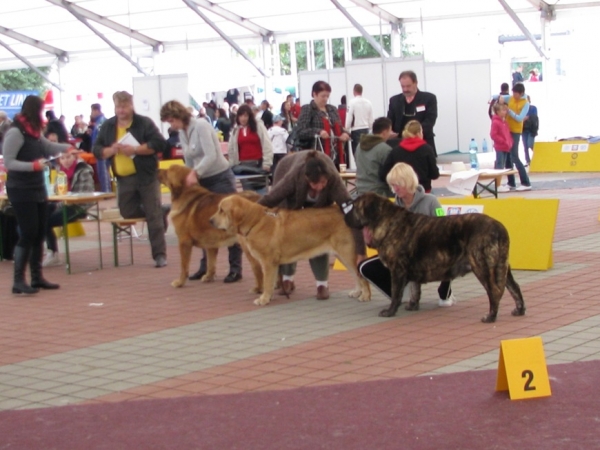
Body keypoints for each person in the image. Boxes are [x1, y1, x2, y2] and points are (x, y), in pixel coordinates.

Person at [257, 150, 365, 300]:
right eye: (315, 184)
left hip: (319, 204)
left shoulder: (334, 181)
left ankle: (322, 284)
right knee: (286, 235)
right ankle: (287, 279)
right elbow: (270, 199)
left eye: (323, 183)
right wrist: (251, 213)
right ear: (307, 179)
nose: (320, 187)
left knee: (319, 236)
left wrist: (361, 252)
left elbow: (352, 215)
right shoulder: (293, 177)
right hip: (286, 174)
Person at [160, 100, 243, 283]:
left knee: (231, 221)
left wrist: (196, 173)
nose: (171, 125)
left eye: (172, 120)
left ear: (179, 115)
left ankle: (235, 268)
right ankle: (207, 269)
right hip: (202, 180)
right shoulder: (183, 132)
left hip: (220, 177)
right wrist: (189, 175)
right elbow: (188, 159)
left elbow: (211, 155)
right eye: (169, 122)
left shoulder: (202, 125)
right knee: (205, 224)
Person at [3, 95, 74, 294]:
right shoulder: (15, 132)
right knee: (28, 232)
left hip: (37, 187)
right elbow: (9, 162)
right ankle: (18, 280)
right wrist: (33, 165)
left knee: (39, 231)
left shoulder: (34, 132)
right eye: (40, 111)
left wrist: (67, 147)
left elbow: (47, 147)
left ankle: (36, 277)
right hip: (20, 189)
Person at [358, 162, 455, 308]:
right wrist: (371, 240)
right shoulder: (393, 208)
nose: (395, 189)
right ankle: (400, 292)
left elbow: (445, 228)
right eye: (393, 185)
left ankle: (445, 290)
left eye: (399, 184)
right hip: (404, 255)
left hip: (430, 252)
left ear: (409, 182)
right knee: (365, 267)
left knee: (449, 254)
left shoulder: (431, 201)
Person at [93, 91, 168, 267]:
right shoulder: (108, 126)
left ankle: (159, 255)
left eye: (124, 106)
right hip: (123, 178)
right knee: (126, 211)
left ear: (131, 105)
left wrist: (136, 150)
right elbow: (96, 149)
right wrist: (110, 150)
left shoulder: (144, 123)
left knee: (152, 214)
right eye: (118, 107)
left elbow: (160, 144)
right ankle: (161, 211)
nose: (121, 110)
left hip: (146, 176)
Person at [42, 152, 95, 267]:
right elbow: (56, 192)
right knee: (40, 213)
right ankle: (40, 249)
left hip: (77, 207)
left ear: (74, 157)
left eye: (68, 157)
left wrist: (62, 200)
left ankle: (52, 253)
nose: (66, 160)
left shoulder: (84, 171)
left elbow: (85, 195)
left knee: (45, 221)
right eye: (62, 158)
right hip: (61, 203)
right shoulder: (60, 172)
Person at [295, 80, 350, 167]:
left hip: (336, 156)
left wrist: (345, 134)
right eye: (323, 96)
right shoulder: (308, 109)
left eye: (327, 96)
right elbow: (301, 131)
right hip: (317, 156)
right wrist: (318, 132)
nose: (325, 99)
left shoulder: (332, 109)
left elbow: (340, 128)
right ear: (314, 94)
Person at [379, 120, 439, 193]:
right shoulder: (427, 149)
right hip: (423, 191)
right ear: (419, 133)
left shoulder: (395, 151)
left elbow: (384, 174)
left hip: (402, 192)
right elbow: (434, 174)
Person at [387, 70, 438, 156]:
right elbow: (389, 120)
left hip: (423, 142)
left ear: (416, 83)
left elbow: (430, 120)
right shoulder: (394, 100)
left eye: (408, 86)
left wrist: (414, 134)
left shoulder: (429, 98)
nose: (405, 89)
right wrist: (389, 131)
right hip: (400, 144)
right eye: (403, 86)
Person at [227, 103, 273, 194]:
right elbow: (231, 150)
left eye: (245, 116)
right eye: (241, 116)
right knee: (248, 195)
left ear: (249, 116)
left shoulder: (258, 126)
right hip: (242, 167)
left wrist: (267, 163)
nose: (243, 118)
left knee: (261, 193)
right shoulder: (235, 131)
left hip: (258, 165)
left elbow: (267, 144)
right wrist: (232, 165)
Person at [494, 83, 532, 191]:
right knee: (508, 157)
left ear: (521, 93)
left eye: (516, 94)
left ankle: (525, 182)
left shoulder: (525, 103)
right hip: (507, 130)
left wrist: (508, 111)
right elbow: (494, 96)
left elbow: (520, 118)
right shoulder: (510, 98)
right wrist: (500, 98)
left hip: (516, 131)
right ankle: (511, 182)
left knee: (514, 156)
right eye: (513, 93)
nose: (514, 96)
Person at [354, 117, 393, 197]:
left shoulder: (359, 146)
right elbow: (390, 174)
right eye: (390, 131)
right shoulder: (385, 150)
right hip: (379, 194)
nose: (391, 134)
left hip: (360, 191)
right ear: (385, 132)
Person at [489, 103, 513, 193]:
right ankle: (497, 185)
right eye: (503, 110)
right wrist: (503, 141)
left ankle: (499, 184)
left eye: (505, 110)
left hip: (506, 147)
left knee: (502, 166)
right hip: (500, 147)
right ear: (498, 112)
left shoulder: (504, 122)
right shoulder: (496, 122)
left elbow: (507, 134)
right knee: (499, 166)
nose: (505, 112)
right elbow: (493, 134)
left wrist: (510, 142)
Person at [346, 84, 374, 157]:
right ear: (362, 91)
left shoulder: (352, 102)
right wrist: (370, 127)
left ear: (354, 91)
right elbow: (371, 118)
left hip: (356, 130)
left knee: (357, 153)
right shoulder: (368, 102)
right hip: (366, 129)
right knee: (366, 151)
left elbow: (349, 117)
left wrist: (346, 128)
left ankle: (358, 167)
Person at [90, 103, 110, 192]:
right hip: (100, 150)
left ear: (96, 110)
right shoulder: (99, 122)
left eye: (92, 111)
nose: (91, 113)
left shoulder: (101, 122)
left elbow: (102, 137)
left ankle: (106, 192)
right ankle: (105, 191)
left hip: (102, 150)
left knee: (103, 173)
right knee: (102, 172)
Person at [521, 95, 539, 166]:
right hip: (524, 129)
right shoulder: (521, 109)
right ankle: (528, 160)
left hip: (531, 129)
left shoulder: (533, 108)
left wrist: (526, 117)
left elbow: (535, 117)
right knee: (525, 146)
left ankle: (537, 156)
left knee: (530, 144)